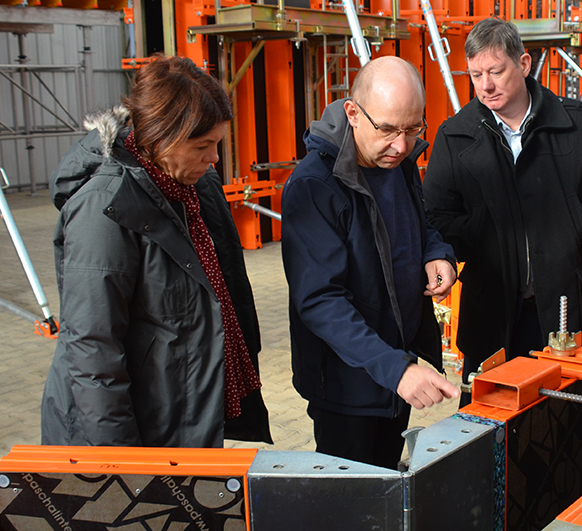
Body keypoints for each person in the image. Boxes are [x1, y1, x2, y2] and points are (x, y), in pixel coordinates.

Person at [41, 56, 270, 448]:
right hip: (127, 432)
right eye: (203, 146)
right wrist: (124, 467)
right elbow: (93, 349)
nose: (214, 158)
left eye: (217, 143)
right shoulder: (105, 209)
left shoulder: (193, 188)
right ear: (162, 137)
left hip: (178, 413)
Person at [423, 18, 582, 395]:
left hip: (565, 310)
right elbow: (435, 218)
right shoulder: (455, 135)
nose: (485, 86)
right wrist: (488, 231)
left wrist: (572, 225)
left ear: (523, 64)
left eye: (495, 71)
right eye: (475, 75)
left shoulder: (576, 124)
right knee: (488, 433)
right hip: (490, 315)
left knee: (568, 423)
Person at [281, 56, 460, 469]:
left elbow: (418, 219)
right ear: (353, 113)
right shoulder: (314, 186)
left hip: (396, 370)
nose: (401, 144)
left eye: (413, 128)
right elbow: (320, 301)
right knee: (350, 510)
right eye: (388, 130)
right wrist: (397, 370)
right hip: (348, 387)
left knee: (387, 489)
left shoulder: (397, 160)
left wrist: (437, 251)